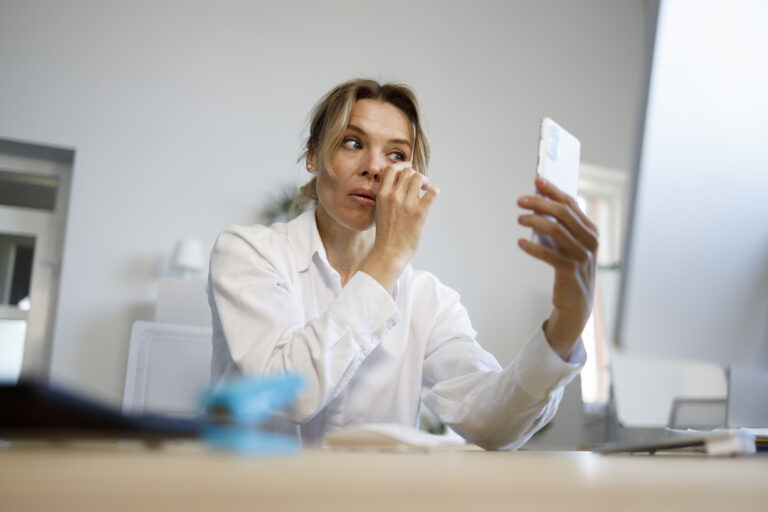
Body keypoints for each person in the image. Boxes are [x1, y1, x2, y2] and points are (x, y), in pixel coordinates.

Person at [208, 79, 598, 450]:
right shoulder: (247, 253)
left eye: (396, 154)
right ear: (313, 156)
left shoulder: (429, 299)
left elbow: (495, 425)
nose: (374, 167)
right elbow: (291, 391)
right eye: (352, 143)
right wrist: (389, 255)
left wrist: (566, 327)